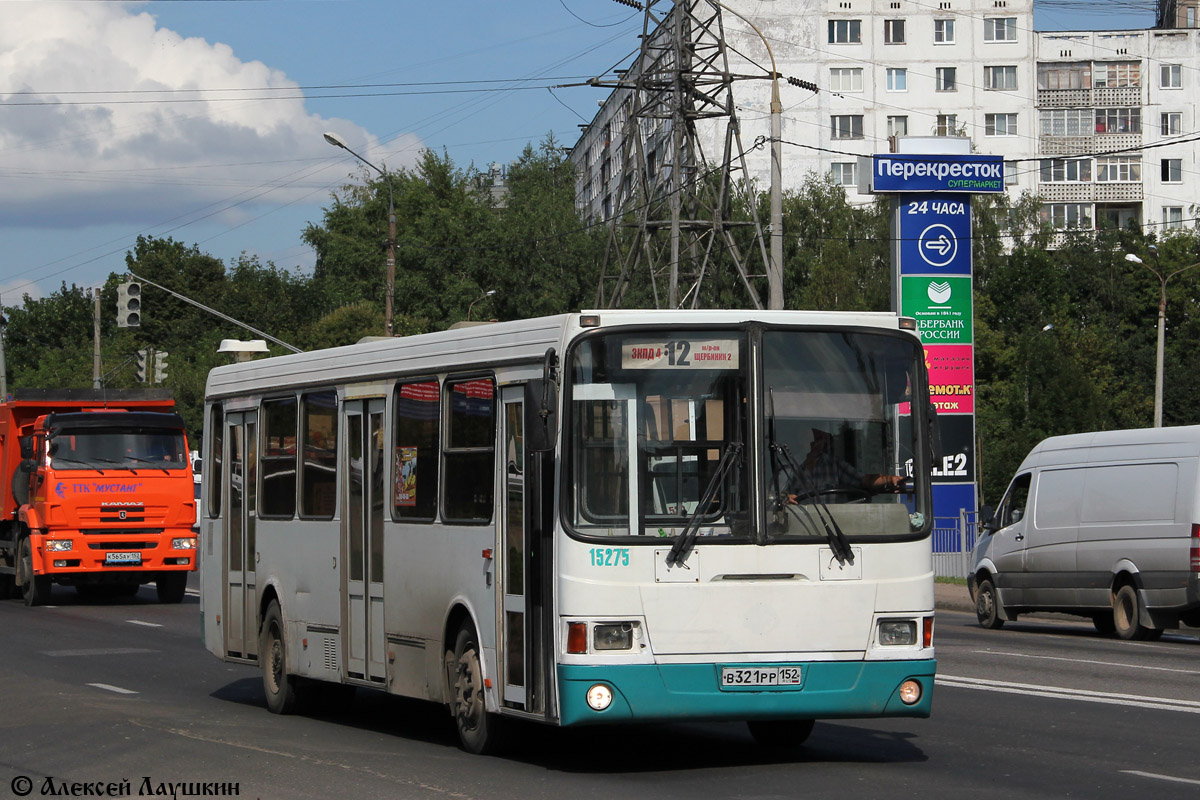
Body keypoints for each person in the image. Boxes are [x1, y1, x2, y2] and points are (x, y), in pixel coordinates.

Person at [787, 428, 904, 503]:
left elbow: (863, 480)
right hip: (799, 525)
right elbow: (774, 496)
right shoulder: (789, 465)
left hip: (831, 526)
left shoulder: (834, 465)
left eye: (820, 439)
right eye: (812, 440)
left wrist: (889, 479)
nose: (816, 444)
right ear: (801, 441)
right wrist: (786, 499)